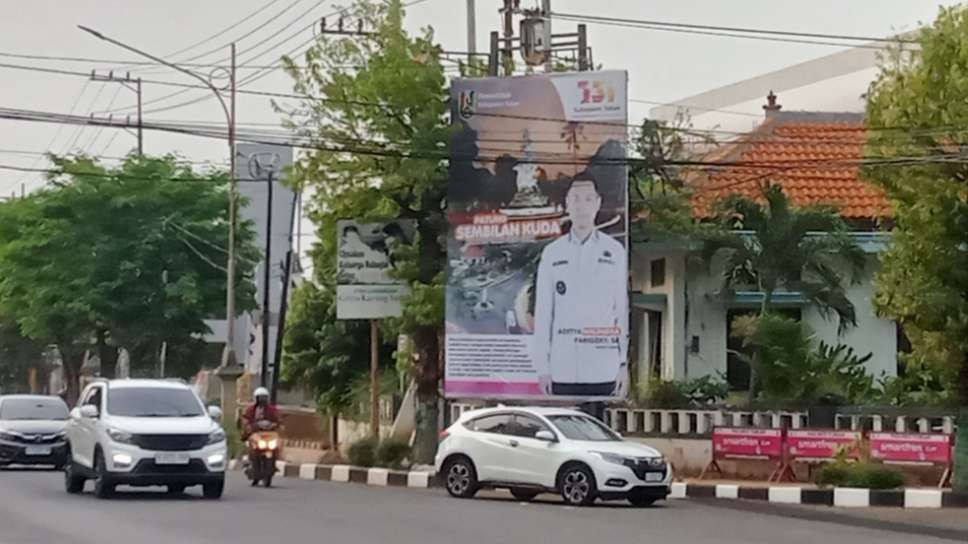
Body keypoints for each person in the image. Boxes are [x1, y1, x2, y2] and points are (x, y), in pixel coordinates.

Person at [531, 172, 628, 397]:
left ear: (597, 204)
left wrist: (623, 364)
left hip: (604, 369)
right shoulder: (553, 253)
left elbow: (620, 310)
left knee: (598, 429)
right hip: (562, 369)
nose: (581, 206)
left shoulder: (614, 251)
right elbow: (544, 313)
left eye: (587, 199)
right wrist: (542, 369)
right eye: (575, 199)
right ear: (567, 204)